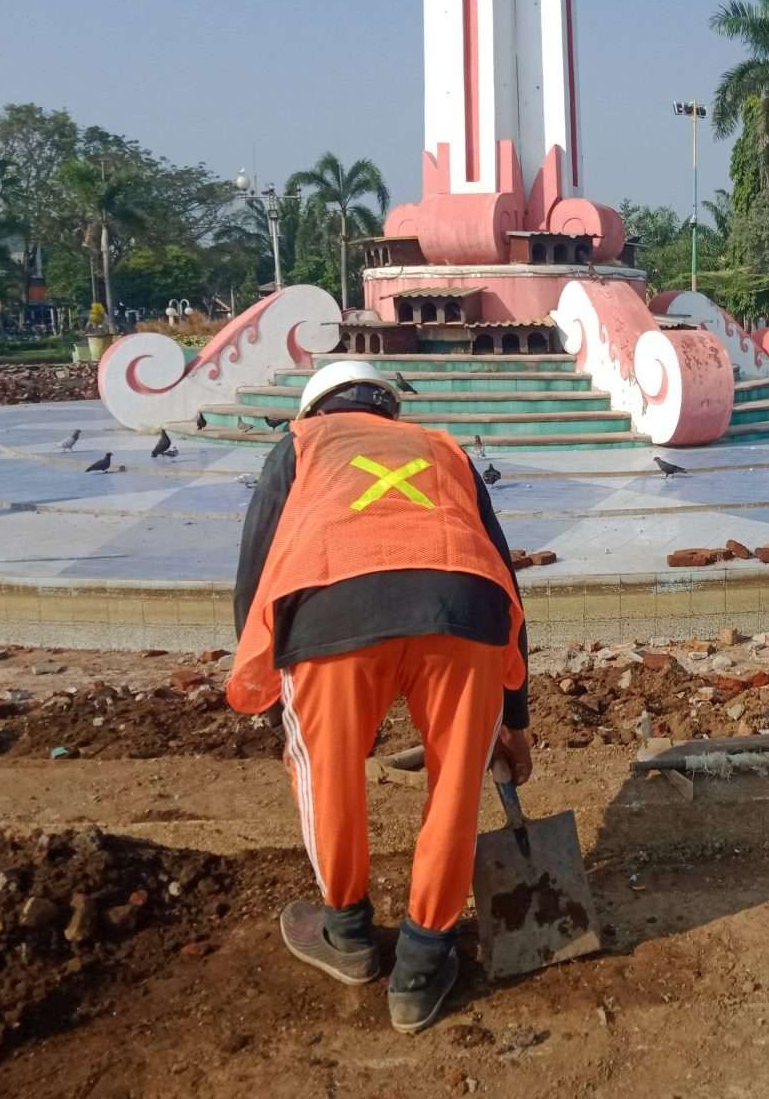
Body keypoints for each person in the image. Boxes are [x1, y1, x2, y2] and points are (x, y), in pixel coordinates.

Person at [227, 360, 530, 1034]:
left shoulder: (302, 444)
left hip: (332, 611)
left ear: (314, 410)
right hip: (466, 610)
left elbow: (257, 566)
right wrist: (516, 722)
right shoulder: (445, 447)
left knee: (326, 775)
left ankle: (350, 937)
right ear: (389, 411)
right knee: (456, 788)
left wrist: (277, 683)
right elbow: (503, 569)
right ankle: (423, 966)